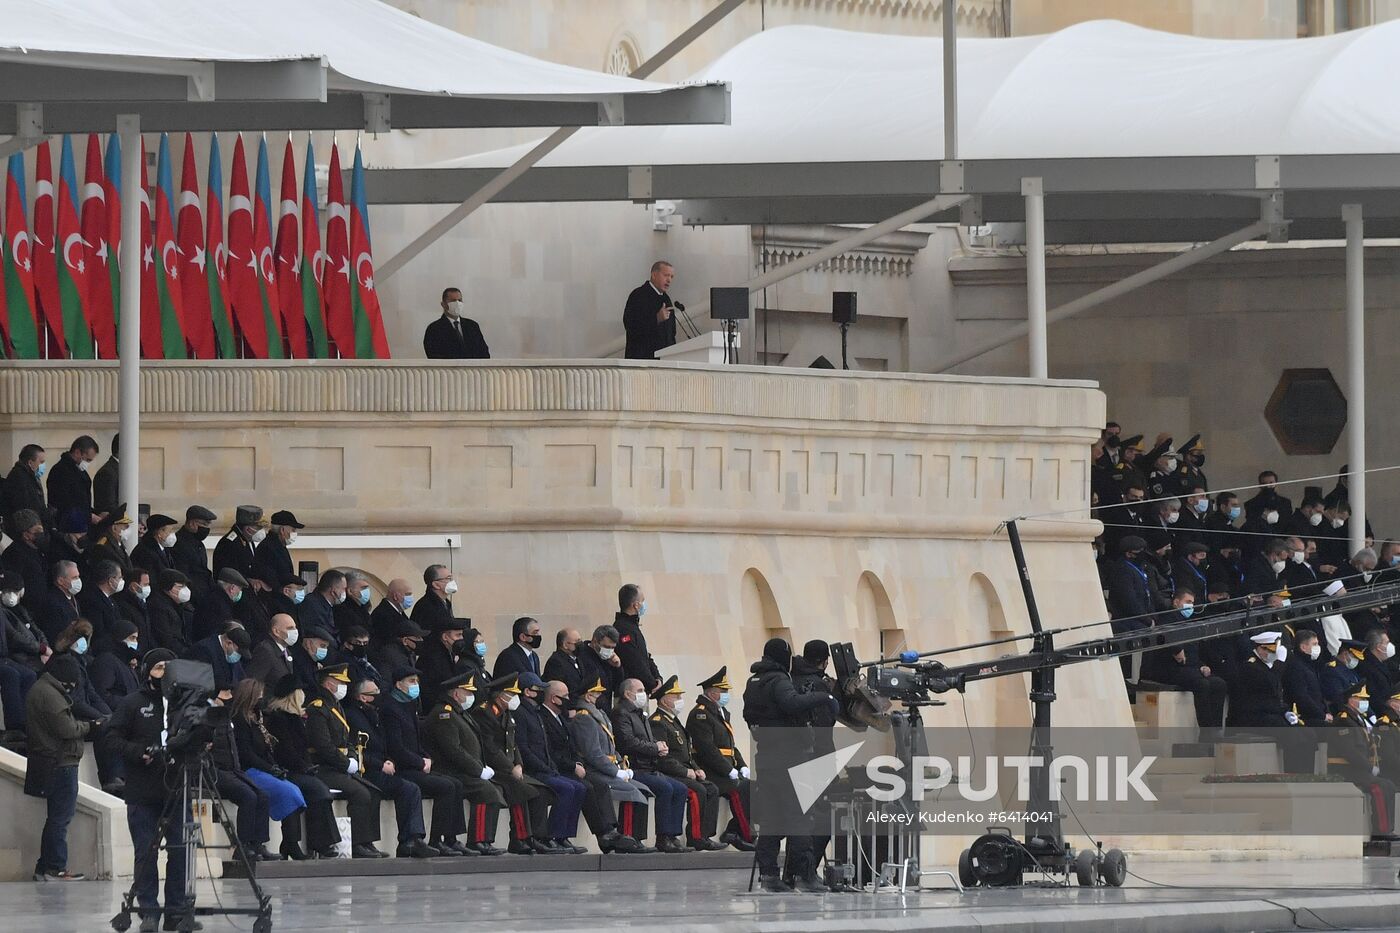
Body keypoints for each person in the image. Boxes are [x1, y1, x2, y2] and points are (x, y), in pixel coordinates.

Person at [103, 650, 194, 930]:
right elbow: (110, 738)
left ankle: (177, 911)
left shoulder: (185, 704)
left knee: (180, 850)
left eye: (169, 667)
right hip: (143, 789)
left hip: (177, 787)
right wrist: (137, 751)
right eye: (158, 667)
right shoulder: (133, 703)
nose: (164, 673)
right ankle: (149, 910)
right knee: (146, 851)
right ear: (147, 671)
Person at [743, 637, 837, 893]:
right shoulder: (778, 679)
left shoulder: (753, 682)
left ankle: (769, 875)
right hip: (789, 757)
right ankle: (804, 875)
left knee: (773, 818)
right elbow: (791, 703)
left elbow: (749, 716)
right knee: (800, 819)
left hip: (766, 757)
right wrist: (823, 697)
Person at [229, 677, 341, 862]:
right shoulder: (241, 721)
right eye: (258, 695)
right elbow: (247, 754)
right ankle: (270, 843)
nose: (261, 699)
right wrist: (271, 768)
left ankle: (289, 842)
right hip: (251, 770)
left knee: (293, 792)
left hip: (265, 768)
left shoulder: (259, 719)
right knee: (290, 791)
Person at [342, 677, 440, 858]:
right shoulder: (354, 717)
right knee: (380, 790)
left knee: (410, 790)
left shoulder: (373, 714)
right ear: (363, 697)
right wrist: (381, 764)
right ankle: (365, 842)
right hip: (367, 770)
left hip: (382, 767)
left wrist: (389, 760)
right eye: (374, 694)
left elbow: (385, 744)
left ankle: (411, 840)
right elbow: (357, 749)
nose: (379, 696)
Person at [381, 666, 472, 855]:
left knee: (455, 783)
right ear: (398, 684)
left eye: (417, 681)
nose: (416, 685)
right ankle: (436, 839)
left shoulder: (410, 705)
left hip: (416, 764)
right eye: (411, 681)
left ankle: (451, 838)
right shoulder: (390, 708)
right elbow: (396, 748)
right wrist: (419, 762)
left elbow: (417, 741)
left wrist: (427, 758)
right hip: (403, 768)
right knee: (444, 786)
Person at [538, 679, 637, 852]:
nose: (569, 699)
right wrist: (572, 765)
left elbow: (572, 746)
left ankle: (607, 832)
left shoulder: (561, 717)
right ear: (554, 698)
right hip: (556, 767)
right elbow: (551, 750)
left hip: (571, 766)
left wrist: (577, 762)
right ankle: (559, 836)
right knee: (583, 787)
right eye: (565, 696)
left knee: (598, 786)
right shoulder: (544, 717)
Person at [302, 664, 389, 858]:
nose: (344, 687)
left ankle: (368, 841)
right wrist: (345, 763)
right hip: (324, 768)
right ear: (329, 684)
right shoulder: (318, 708)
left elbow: (346, 739)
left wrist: (352, 757)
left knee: (373, 791)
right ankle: (357, 843)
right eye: (341, 683)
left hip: (338, 766)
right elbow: (323, 746)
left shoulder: (335, 706)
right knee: (359, 793)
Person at [422, 670, 507, 856]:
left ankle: (467, 839)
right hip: (449, 769)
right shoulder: (444, 714)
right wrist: (478, 770)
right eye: (467, 692)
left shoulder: (459, 712)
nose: (471, 696)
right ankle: (477, 840)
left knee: (494, 790)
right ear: (456, 693)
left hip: (463, 770)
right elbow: (453, 750)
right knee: (487, 792)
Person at [24, 654, 92, 882]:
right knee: (60, 818)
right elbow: (67, 729)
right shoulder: (50, 695)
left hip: (52, 761)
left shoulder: (42, 689)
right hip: (61, 762)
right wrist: (89, 726)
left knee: (55, 818)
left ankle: (45, 867)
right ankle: (55, 868)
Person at [569, 677, 655, 853]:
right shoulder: (584, 717)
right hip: (596, 770)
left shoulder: (599, 714)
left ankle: (635, 837)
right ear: (587, 696)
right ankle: (627, 839)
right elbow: (593, 754)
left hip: (609, 768)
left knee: (643, 790)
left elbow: (611, 746)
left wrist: (622, 767)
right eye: (596, 693)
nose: (599, 696)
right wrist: (615, 772)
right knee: (633, 793)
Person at [513, 674, 589, 854]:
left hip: (546, 768)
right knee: (567, 788)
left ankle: (564, 836)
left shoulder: (535, 713)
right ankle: (552, 836)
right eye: (539, 690)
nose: (542, 693)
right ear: (528, 692)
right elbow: (524, 748)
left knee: (579, 788)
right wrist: (545, 768)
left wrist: (551, 768)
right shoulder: (521, 713)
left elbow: (545, 746)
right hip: (535, 770)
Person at [649, 675, 725, 850]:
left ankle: (705, 834)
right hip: (670, 772)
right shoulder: (658, 722)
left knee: (711, 788)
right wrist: (685, 772)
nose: (679, 700)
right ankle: (695, 837)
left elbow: (687, 753)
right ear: (664, 700)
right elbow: (663, 757)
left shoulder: (673, 721)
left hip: (685, 770)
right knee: (697, 790)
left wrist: (696, 768)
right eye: (676, 696)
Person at [613, 677, 688, 853]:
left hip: (649, 765)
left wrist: (659, 746)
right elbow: (628, 742)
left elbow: (647, 738)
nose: (644, 694)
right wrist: (654, 748)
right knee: (665, 788)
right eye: (639, 691)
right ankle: (662, 837)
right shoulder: (621, 712)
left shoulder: (640, 712)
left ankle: (672, 835)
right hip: (634, 767)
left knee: (680, 788)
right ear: (627, 693)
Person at [687, 666, 754, 850]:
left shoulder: (719, 713)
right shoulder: (701, 714)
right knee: (738, 788)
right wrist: (728, 770)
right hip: (710, 770)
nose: (725, 694)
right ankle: (747, 836)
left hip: (724, 768)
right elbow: (707, 749)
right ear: (711, 692)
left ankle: (734, 832)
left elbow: (731, 747)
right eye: (722, 691)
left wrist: (741, 766)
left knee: (751, 785)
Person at [1140, 591, 1227, 732]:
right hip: (1166, 668)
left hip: (1188, 668)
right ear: (1176, 602)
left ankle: (1216, 730)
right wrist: (1176, 649)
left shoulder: (1189, 623)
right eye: (1187, 601)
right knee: (1202, 684)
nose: (1190, 606)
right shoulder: (1167, 619)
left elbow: (1193, 653)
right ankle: (1206, 732)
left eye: (1192, 603)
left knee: (1219, 684)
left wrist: (1202, 666)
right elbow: (1163, 637)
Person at [1328, 682, 1396, 837]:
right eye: (1361, 698)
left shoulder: (1357, 719)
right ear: (1351, 700)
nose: (1364, 702)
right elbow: (1349, 751)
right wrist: (1369, 767)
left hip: (1358, 770)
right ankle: (1381, 831)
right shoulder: (1343, 720)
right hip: (1346, 770)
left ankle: (1388, 829)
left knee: (1389, 785)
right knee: (1380, 787)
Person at [623, 261, 679, 360]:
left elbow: (672, 333)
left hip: (664, 361)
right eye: (666, 275)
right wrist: (656, 318)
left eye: (671, 277)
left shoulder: (667, 299)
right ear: (654, 275)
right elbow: (631, 326)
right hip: (641, 360)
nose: (669, 280)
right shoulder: (638, 295)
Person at [614, 583, 661, 697]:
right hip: (632, 692)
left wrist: (657, 677)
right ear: (635, 605)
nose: (644, 604)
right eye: (643, 600)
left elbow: (645, 656)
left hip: (642, 689)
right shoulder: (623, 629)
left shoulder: (632, 627)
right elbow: (634, 661)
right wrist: (652, 684)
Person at [46, 436, 101, 531]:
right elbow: (64, 501)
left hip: (80, 522)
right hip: (67, 525)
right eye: (87, 460)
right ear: (77, 452)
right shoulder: (60, 471)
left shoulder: (79, 470)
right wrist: (88, 515)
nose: (88, 463)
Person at [2, 509, 50, 613]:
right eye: (36, 532)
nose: (41, 535)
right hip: (28, 610)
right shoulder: (14, 554)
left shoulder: (39, 549)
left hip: (42, 606)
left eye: (41, 531)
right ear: (25, 534)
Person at [89, 619, 142, 713]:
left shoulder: (126, 661)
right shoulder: (106, 661)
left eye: (136, 638)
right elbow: (101, 694)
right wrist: (131, 704)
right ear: (120, 637)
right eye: (132, 638)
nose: (135, 642)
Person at [423, 286, 490, 359]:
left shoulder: (472, 326)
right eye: (453, 301)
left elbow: (484, 352)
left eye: (460, 300)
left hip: (473, 370)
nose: (457, 303)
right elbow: (433, 356)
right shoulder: (434, 329)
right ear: (443, 304)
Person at [417, 617, 470, 706]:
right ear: (445, 637)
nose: (461, 639)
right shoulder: (434, 656)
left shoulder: (449, 652)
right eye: (458, 635)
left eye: (462, 635)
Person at [1283, 629, 1330, 727]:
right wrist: (1322, 716)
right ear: (1303, 647)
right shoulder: (1296, 667)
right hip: (1307, 718)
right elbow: (1302, 697)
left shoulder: (1309, 664)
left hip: (1319, 715)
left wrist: (1326, 712)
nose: (1318, 647)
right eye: (1314, 644)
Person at [170, 506, 216, 602]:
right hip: (193, 598)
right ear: (192, 524)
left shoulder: (198, 543)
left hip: (204, 594)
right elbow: (184, 575)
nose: (207, 528)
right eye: (204, 524)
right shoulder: (179, 544)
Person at [187, 622, 251, 692]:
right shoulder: (203, 650)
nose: (239, 656)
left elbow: (241, 678)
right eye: (238, 652)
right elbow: (196, 683)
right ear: (229, 643)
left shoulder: (230, 655)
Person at [78, 559, 125, 653]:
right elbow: (99, 632)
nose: (122, 581)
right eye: (120, 577)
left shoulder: (111, 600)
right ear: (111, 581)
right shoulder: (92, 601)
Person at [193, 567, 248, 644]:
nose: (240, 592)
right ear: (232, 588)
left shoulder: (212, 596)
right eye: (239, 589)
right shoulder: (220, 605)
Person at [0, 444, 47, 533]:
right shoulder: (18, 478)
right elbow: (24, 505)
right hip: (25, 530)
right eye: (41, 462)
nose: (43, 465)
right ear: (30, 462)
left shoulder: (31, 476)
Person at [147, 570, 194, 656]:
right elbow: (165, 638)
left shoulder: (178, 605)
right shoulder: (158, 607)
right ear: (168, 588)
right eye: (180, 587)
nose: (185, 590)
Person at [212, 505, 264, 584]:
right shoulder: (230, 544)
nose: (260, 530)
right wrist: (249, 580)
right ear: (248, 529)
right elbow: (229, 574)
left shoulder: (247, 539)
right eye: (257, 527)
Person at [576, 624, 622, 708]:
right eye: (606, 647)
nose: (609, 650)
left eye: (612, 648)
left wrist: (617, 667)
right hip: (589, 706)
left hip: (605, 707)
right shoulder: (582, 656)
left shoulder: (610, 659)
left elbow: (618, 685)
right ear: (595, 641)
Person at [39, 559, 83, 644]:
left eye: (78, 576)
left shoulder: (73, 598)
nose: (78, 580)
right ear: (60, 581)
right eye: (74, 577)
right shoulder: (52, 602)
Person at [246, 613, 297, 685]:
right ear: (276, 631)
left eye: (295, 627)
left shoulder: (285, 650)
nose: (295, 631)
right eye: (290, 628)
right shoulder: (265, 651)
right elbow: (253, 683)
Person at [255, 510, 303, 587]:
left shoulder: (278, 546)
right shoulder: (269, 548)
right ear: (282, 530)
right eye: (293, 530)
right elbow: (278, 575)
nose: (294, 533)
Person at [297, 569, 344, 638]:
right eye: (343, 588)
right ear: (333, 591)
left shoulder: (328, 605)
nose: (345, 592)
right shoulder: (312, 604)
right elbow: (322, 631)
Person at [411, 564, 457, 631]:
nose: (452, 581)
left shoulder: (446, 602)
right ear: (436, 585)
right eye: (448, 578)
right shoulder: (425, 606)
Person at [369, 578, 414, 645]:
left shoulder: (399, 612)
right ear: (395, 596)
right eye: (407, 594)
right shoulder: (382, 615)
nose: (411, 597)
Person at [543, 628, 583, 696]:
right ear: (565, 645)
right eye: (577, 642)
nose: (580, 644)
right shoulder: (556, 662)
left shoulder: (577, 658)